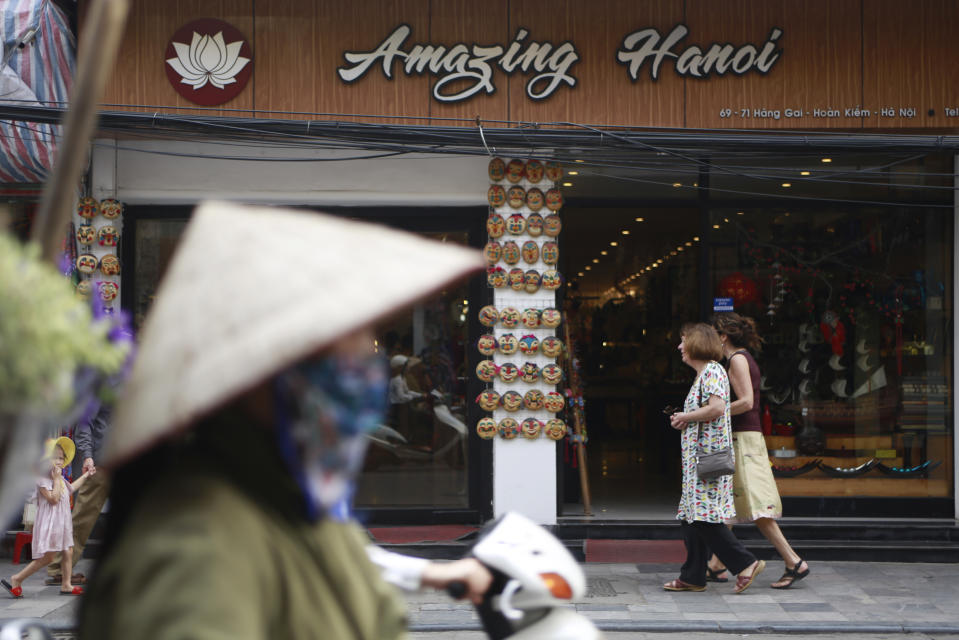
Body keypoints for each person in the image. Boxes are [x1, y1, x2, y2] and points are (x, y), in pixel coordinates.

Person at [78, 201, 491, 640]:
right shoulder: (197, 548)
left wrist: (433, 574)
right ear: (257, 373)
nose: (361, 373)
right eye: (336, 357)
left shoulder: (296, 497)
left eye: (364, 353)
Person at [705, 312, 810, 589]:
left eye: (714, 334)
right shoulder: (740, 358)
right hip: (743, 437)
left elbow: (747, 402)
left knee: (757, 508)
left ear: (723, 337)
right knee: (730, 501)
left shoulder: (738, 359)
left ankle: (794, 561)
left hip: (743, 438)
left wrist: (714, 413)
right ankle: (716, 565)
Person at [665, 323, 765, 594]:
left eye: (683, 340)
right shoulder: (705, 373)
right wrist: (686, 420)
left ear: (696, 344)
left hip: (707, 459)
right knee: (691, 516)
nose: (679, 347)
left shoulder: (712, 371)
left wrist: (686, 416)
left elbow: (717, 408)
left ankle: (745, 563)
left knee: (702, 517)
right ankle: (693, 576)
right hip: (698, 459)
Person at [3, 437, 94, 597]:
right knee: (48, 557)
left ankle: (66, 584)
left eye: (61, 457)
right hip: (50, 523)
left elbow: (70, 489)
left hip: (63, 522)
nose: (58, 461)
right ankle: (17, 578)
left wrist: (85, 476)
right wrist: (57, 479)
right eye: (54, 457)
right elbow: (53, 498)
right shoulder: (43, 479)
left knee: (68, 551)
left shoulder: (59, 479)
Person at [44, 404, 112, 587]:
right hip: (101, 462)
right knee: (83, 516)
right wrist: (88, 456)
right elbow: (84, 422)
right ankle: (59, 568)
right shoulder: (105, 380)